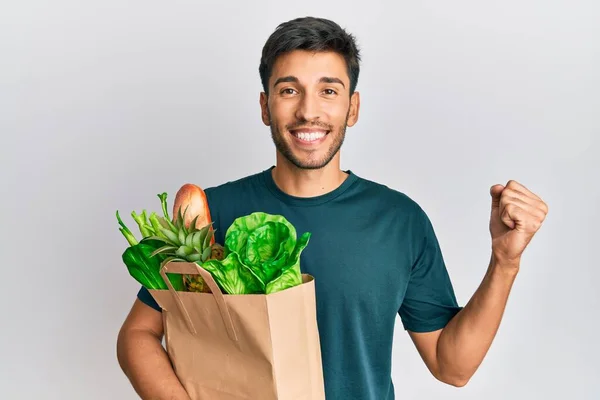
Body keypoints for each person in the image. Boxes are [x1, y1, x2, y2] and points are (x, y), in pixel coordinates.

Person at [116, 16, 548, 400]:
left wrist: (504, 262)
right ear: (266, 107)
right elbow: (139, 333)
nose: (309, 111)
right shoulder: (211, 212)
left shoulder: (399, 220)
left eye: (328, 91)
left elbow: (452, 367)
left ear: (352, 108)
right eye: (289, 90)